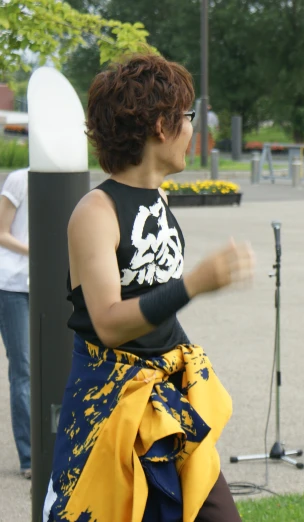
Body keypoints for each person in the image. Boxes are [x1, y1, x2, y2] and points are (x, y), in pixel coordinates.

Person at [43, 54, 255, 522]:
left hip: (168, 399)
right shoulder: (95, 212)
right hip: (111, 408)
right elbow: (110, 323)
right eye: (187, 118)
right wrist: (195, 283)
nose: (191, 130)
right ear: (162, 125)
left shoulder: (158, 197)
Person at [0, 166, 31, 480]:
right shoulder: (19, 179)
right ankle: (29, 457)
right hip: (12, 286)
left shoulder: (67, 178)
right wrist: (39, 253)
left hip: (46, 285)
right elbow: (1, 231)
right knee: (23, 369)